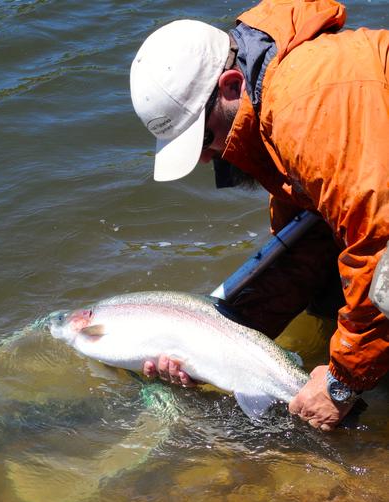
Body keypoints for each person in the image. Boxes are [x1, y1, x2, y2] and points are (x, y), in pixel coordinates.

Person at [130, 0, 389, 430]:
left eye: (203, 138)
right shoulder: (270, 116)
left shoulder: (306, 105)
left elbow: (380, 246)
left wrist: (343, 383)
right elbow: (304, 247)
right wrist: (215, 346)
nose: (203, 160)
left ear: (232, 85)